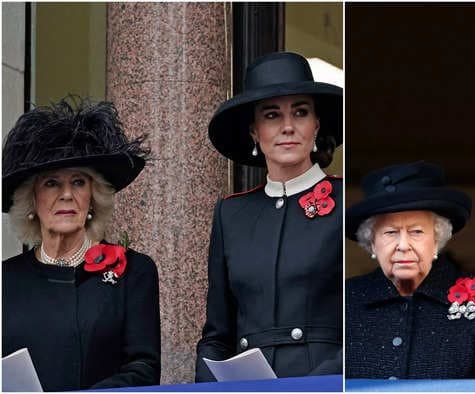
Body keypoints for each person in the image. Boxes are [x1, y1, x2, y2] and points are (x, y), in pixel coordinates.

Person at [195, 52, 342, 380]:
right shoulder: (230, 214)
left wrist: (322, 383)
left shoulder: (347, 201)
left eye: (300, 112)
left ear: (316, 125)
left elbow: (364, 315)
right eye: (272, 115)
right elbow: (216, 336)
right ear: (254, 132)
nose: (288, 127)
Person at [1, 97, 160, 391]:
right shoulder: (5, 280)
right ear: (32, 200)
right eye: (51, 183)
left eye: (78, 182)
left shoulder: (135, 272)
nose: (66, 195)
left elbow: (144, 370)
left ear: (92, 198)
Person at [345, 161, 475, 379]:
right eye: (390, 233)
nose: (403, 245)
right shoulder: (347, 298)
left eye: (416, 231)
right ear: (372, 243)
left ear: (437, 239)